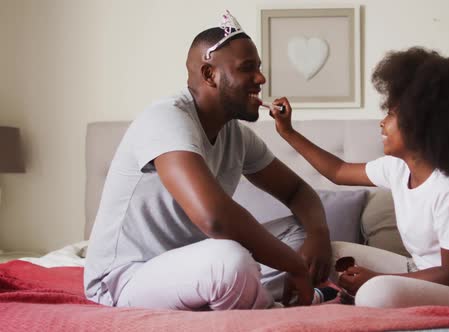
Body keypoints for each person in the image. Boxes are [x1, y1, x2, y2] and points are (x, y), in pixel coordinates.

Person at [83, 11, 332, 311]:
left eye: (259, 68)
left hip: (194, 264)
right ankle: (273, 306)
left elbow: (298, 193)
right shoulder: (165, 118)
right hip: (125, 278)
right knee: (230, 263)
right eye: (247, 68)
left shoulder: (236, 135)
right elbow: (213, 217)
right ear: (209, 74)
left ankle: (245, 295)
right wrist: (293, 265)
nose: (262, 78)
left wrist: (318, 235)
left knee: (305, 234)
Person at [269, 47, 449, 309]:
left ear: (422, 125)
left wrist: (378, 279)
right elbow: (338, 171)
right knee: (330, 253)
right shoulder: (397, 168)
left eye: (392, 114)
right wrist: (288, 132)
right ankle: (314, 294)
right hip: (423, 271)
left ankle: (345, 294)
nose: (382, 123)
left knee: (376, 293)